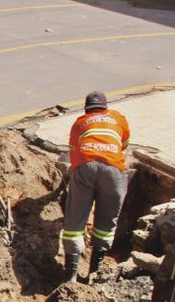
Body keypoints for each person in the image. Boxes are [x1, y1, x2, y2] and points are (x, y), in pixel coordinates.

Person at [61, 90, 131, 283]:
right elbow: (124, 143)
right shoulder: (118, 118)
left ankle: (71, 278)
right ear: (105, 107)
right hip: (113, 168)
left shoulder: (80, 122)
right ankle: (95, 274)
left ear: (87, 109)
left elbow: (74, 151)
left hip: (85, 165)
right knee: (107, 219)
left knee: (75, 221)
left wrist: (78, 174)